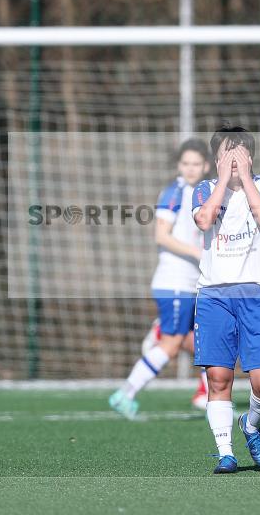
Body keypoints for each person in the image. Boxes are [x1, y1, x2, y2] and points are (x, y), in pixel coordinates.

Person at [192, 125, 260, 474]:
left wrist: (244, 177)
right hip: (215, 296)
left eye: (239, 155)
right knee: (218, 378)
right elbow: (203, 220)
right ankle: (226, 452)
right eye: (226, 155)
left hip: (258, 295)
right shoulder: (203, 190)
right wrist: (220, 183)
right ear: (215, 159)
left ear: (250, 158)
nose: (232, 161)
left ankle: (252, 425)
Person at [109, 139, 211, 419]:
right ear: (179, 165)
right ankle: (125, 394)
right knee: (170, 344)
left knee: (203, 341)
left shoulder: (201, 193)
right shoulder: (174, 193)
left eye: (196, 164)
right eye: (185, 163)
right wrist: (197, 252)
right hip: (173, 282)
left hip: (191, 283)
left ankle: (207, 395)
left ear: (205, 166)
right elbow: (161, 235)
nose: (190, 169)